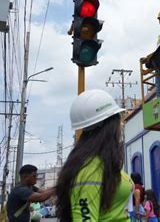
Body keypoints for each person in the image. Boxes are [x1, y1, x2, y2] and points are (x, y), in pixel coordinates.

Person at [56, 89, 132, 222]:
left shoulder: (102, 163)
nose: (121, 126)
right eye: (119, 120)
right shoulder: (90, 171)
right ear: (109, 126)